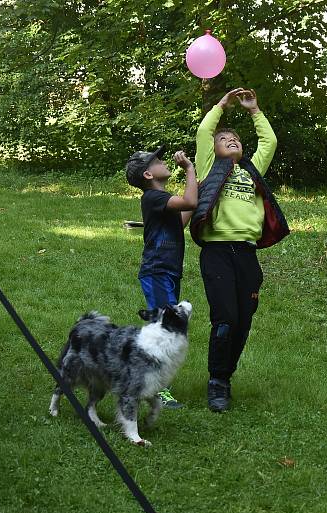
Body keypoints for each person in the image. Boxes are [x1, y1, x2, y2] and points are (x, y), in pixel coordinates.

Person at [189, 88, 290, 412]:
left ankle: (226, 376)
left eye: (236, 139)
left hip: (246, 254)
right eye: (225, 140)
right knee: (225, 318)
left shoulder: (251, 171)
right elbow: (205, 131)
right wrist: (221, 105)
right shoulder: (208, 167)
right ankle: (217, 381)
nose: (231, 141)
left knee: (243, 320)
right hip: (217, 251)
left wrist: (254, 110)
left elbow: (269, 143)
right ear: (215, 149)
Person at [126, 145, 198, 409]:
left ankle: (157, 385)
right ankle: (158, 390)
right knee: (164, 328)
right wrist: (189, 170)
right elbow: (189, 202)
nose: (164, 162)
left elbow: (181, 219)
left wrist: (197, 186)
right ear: (148, 174)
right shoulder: (153, 198)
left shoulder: (160, 199)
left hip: (167, 270)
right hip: (157, 270)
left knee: (168, 324)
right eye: (158, 161)